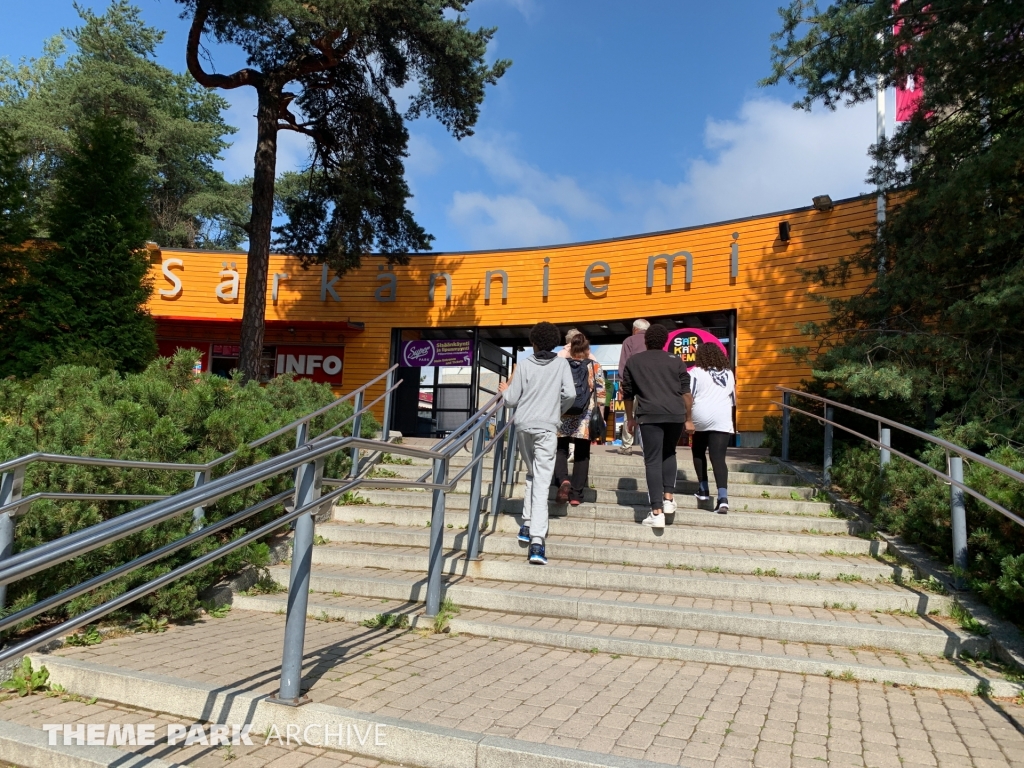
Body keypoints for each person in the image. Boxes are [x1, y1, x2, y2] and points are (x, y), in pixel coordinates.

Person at [498, 322, 576, 565]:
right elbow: (571, 395)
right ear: (554, 342)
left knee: (532, 474)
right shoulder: (561, 363)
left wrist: (504, 389)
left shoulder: (523, 365)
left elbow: (510, 400)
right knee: (542, 480)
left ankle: (527, 522)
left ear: (533, 342)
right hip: (547, 426)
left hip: (523, 424)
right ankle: (537, 542)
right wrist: (556, 410)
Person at [621, 323, 693, 528]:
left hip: (649, 415)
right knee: (669, 453)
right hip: (675, 414)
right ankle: (668, 499)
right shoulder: (676, 360)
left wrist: (630, 418)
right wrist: (688, 418)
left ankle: (656, 512)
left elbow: (628, 393)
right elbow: (686, 394)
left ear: (645, 340)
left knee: (652, 461)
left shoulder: (634, 361)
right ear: (665, 341)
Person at [553, 332, 606, 506]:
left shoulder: (560, 365)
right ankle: (576, 495)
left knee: (560, 448)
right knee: (582, 453)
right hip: (585, 415)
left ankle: (563, 481)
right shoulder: (594, 366)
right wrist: (601, 417)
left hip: (563, 412)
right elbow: (601, 394)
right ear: (587, 350)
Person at [689, 342, 736, 514]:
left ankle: (703, 489)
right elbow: (733, 400)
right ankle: (723, 499)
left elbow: (689, 395)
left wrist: (686, 418)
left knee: (698, 450)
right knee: (718, 458)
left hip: (701, 415)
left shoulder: (695, 372)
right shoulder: (729, 374)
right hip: (722, 417)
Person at [616, 319, 650, 454]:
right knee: (648, 414)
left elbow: (624, 363)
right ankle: (647, 446)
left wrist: (622, 382)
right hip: (650, 384)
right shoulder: (652, 340)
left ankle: (626, 446)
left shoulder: (629, 341)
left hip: (632, 383)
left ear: (635, 329)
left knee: (628, 414)